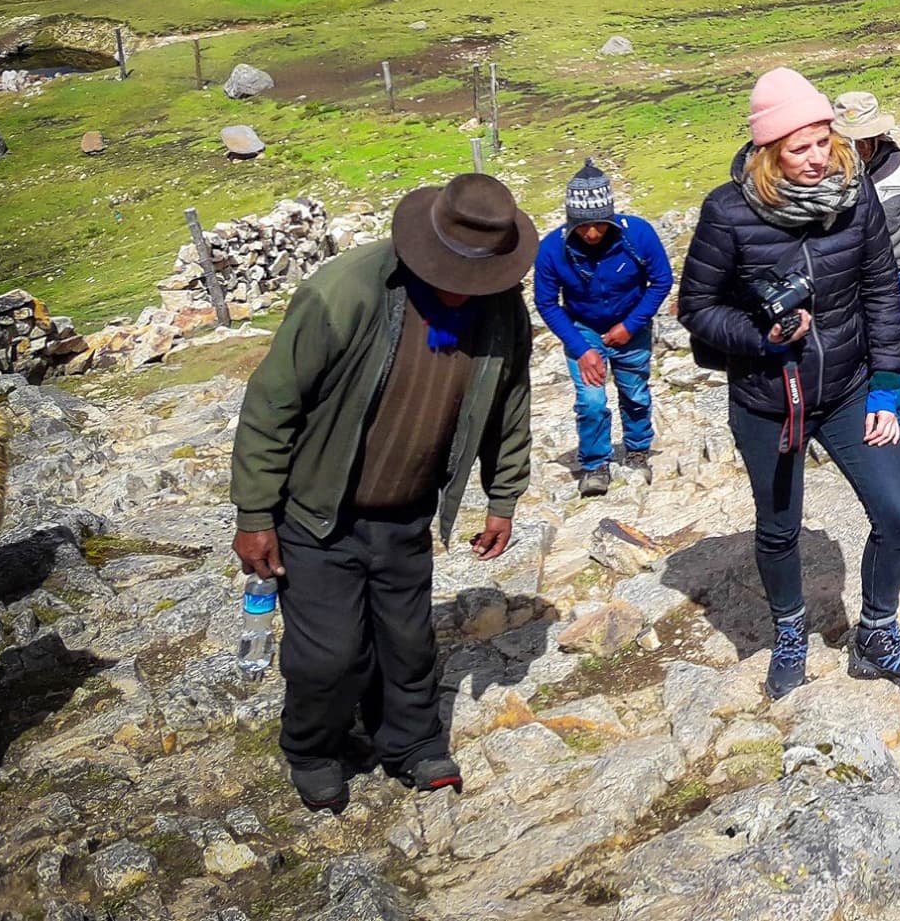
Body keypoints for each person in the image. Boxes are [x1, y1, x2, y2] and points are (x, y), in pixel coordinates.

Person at [230, 173, 536, 814]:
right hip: (318, 513)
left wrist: (501, 497)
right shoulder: (343, 294)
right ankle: (314, 748)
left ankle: (413, 744)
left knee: (407, 641)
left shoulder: (501, 306)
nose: (466, 285)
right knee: (330, 653)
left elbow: (509, 404)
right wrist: (255, 513)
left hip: (406, 511)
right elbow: (272, 403)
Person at [679, 67, 900, 701]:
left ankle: (878, 634)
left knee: (898, 513)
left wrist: (886, 387)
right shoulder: (727, 212)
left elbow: (883, 292)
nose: (818, 159)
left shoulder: (855, 200)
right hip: (767, 399)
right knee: (779, 528)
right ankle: (790, 629)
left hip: (851, 389)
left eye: (824, 141)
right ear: (769, 153)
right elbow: (695, 306)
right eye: (800, 148)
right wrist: (760, 338)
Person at [534, 160, 674, 496]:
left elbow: (662, 280)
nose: (592, 233)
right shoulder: (553, 249)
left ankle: (638, 449)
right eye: (582, 226)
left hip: (631, 323)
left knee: (635, 392)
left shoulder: (638, 234)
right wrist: (581, 349)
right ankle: (595, 464)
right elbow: (547, 302)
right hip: (582, 326)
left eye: (599, 224)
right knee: (591, 401)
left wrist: (631, 324)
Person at [831, 91, 900, 452]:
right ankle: (865, 412)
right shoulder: (830, 172)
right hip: (851, 276)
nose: (859, 144)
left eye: (864, 136)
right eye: (851, 137)